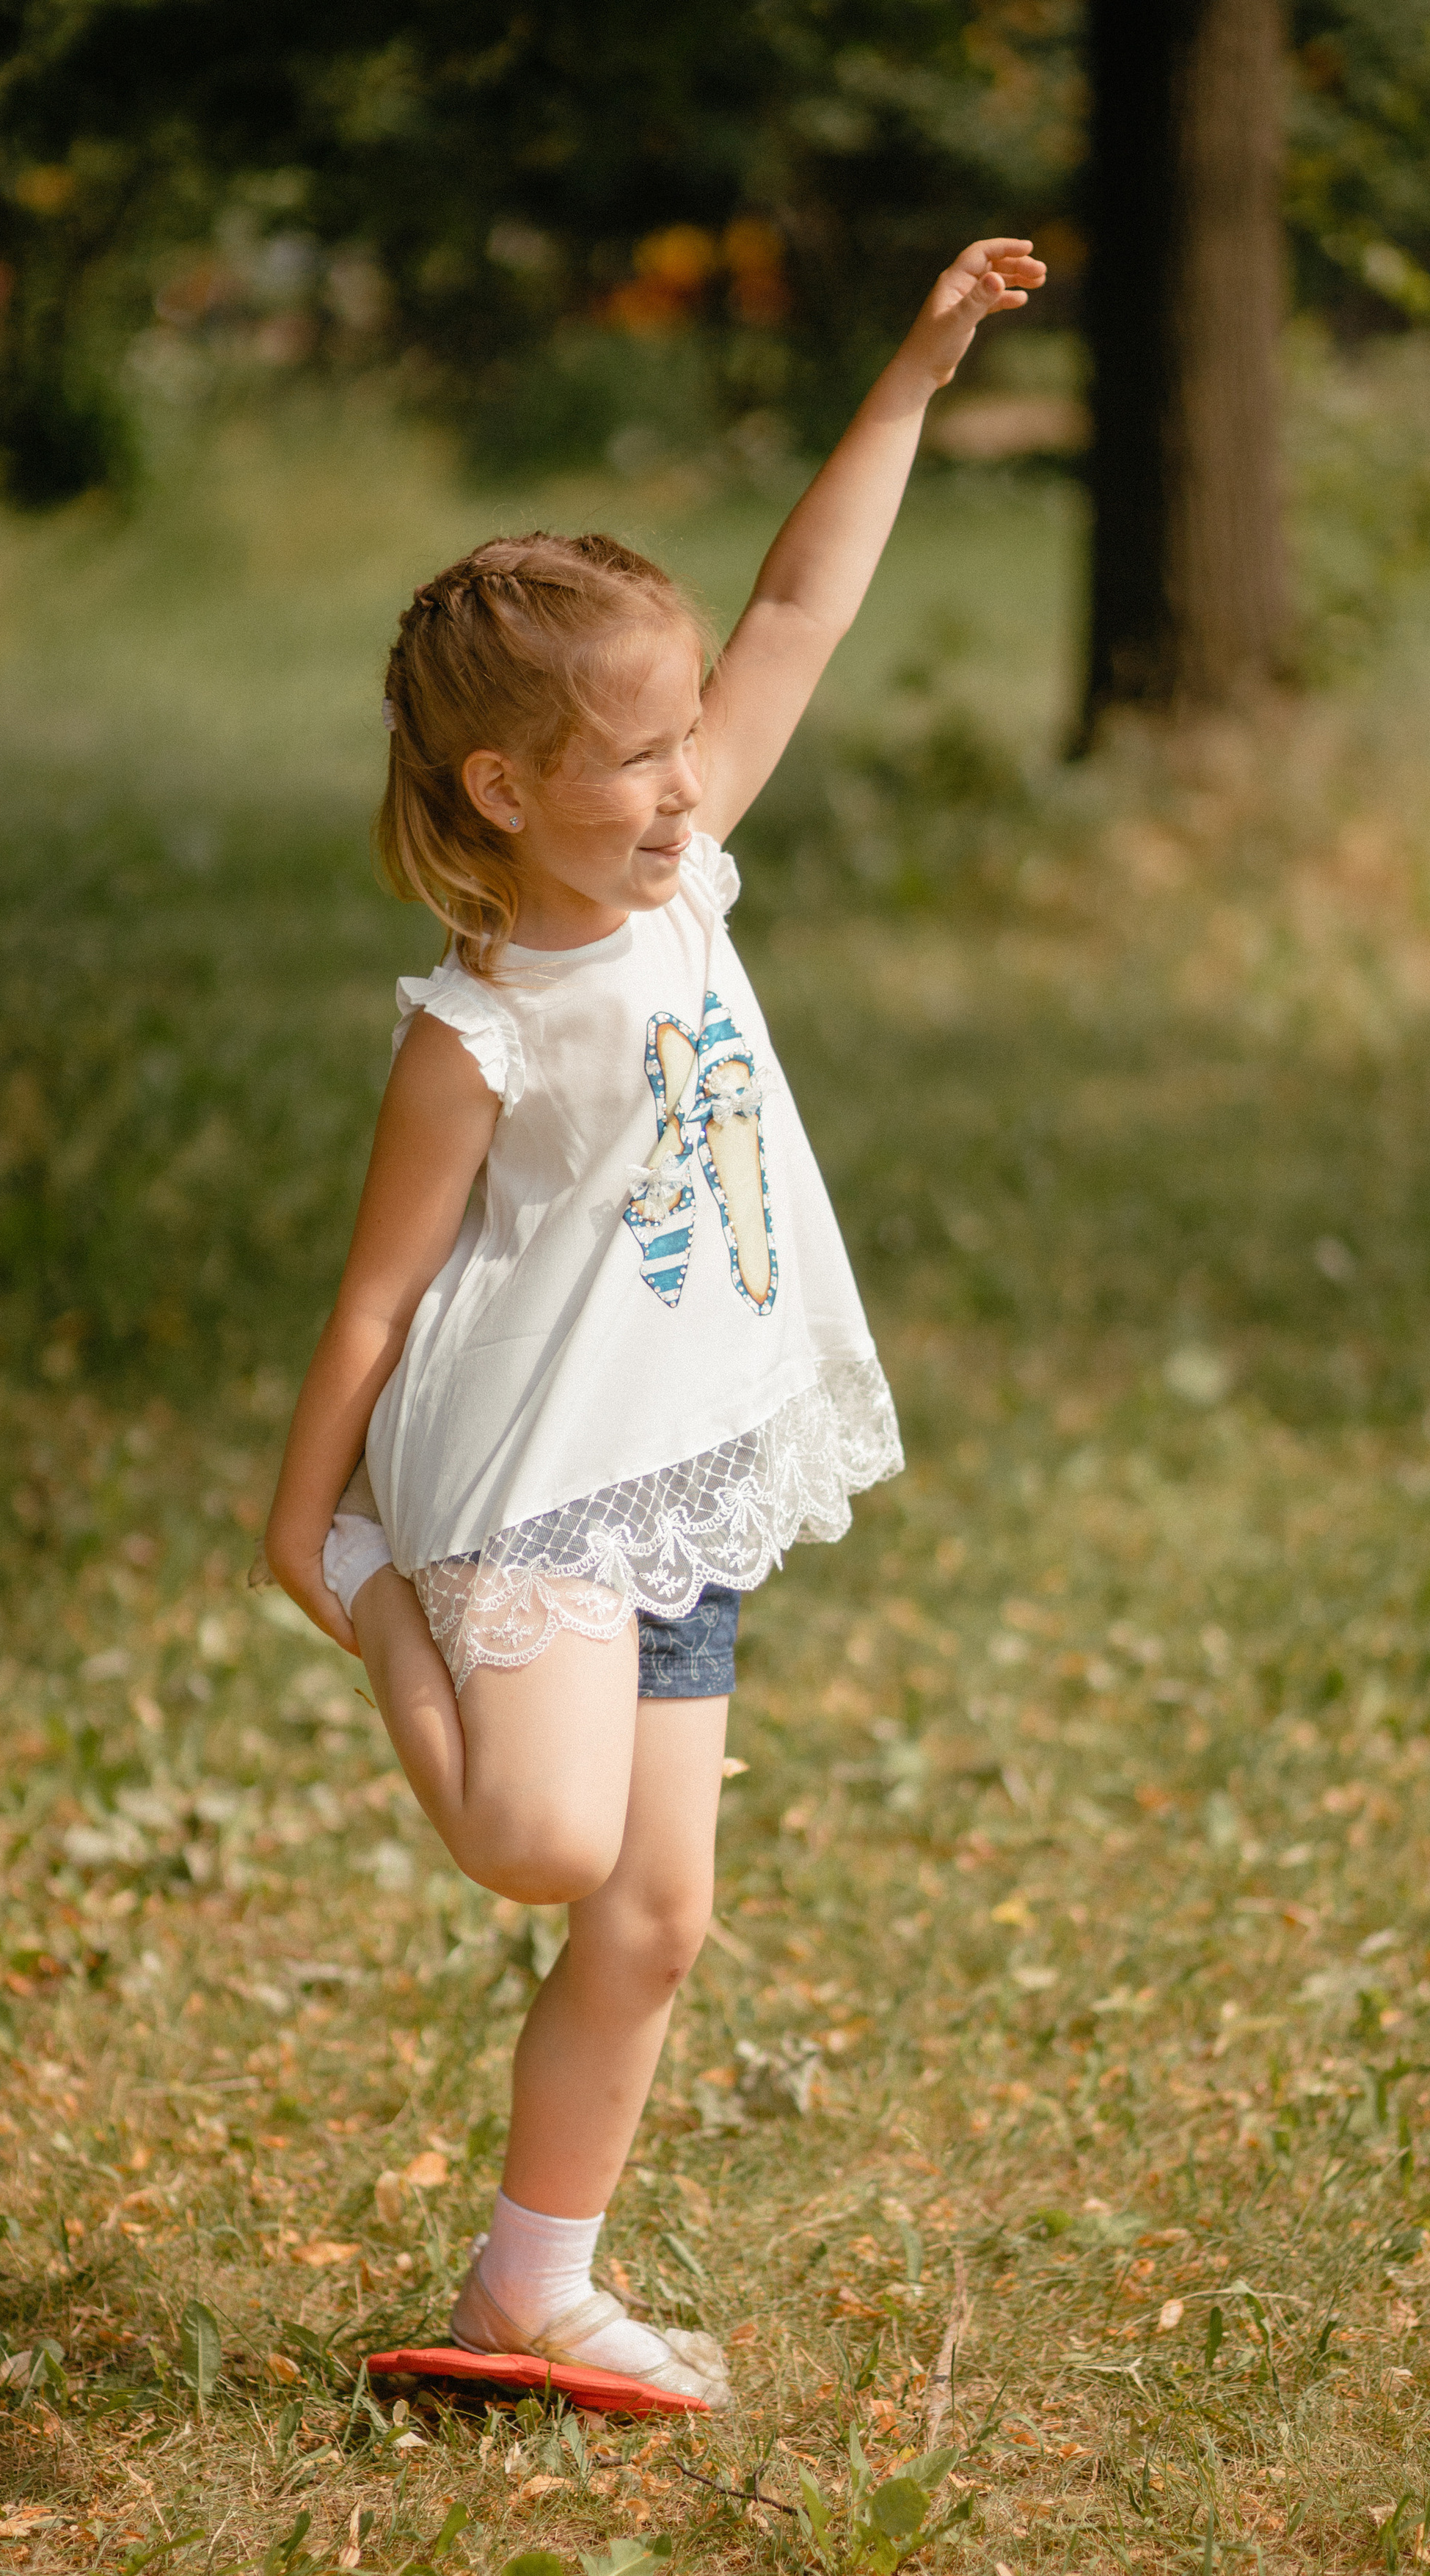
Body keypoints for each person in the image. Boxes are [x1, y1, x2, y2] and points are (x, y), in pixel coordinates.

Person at [262, 236, 1046, 2402]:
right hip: (513, 1489)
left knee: (656, 1916)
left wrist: (916, 361)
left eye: (689, 745)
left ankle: (533, 2283)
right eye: (633, 763)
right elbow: (377, 1291)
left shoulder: (683, 879)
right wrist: (310, 1531)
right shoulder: (479, 1024)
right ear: (505, 789)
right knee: (541, 1845)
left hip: (671, 1464)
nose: (689, 788)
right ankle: (389, 1603)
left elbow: (802, 606)